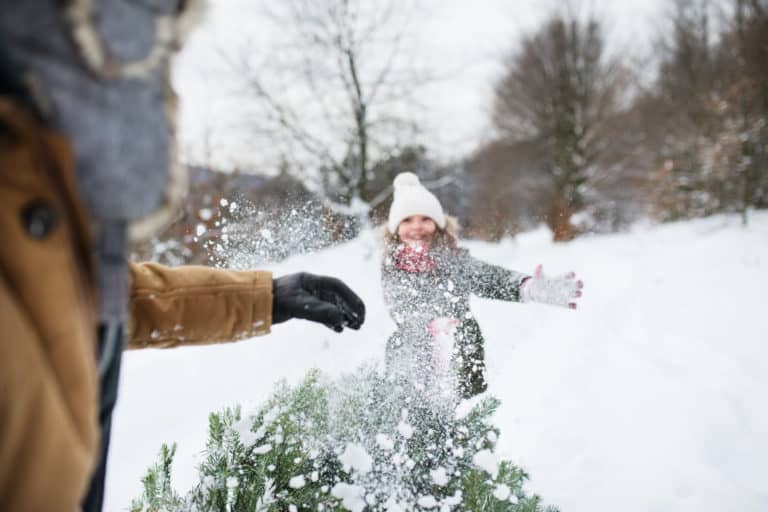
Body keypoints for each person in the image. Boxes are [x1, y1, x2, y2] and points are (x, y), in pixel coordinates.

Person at [0, 3, 365, 511]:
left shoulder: (48, 229)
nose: (157, 93)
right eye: (135, 41)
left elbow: (122, 300)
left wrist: (265, 297)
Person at [381, 172, 583, 398]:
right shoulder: (393, 264)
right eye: (407, 220)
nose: (417, 227)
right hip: (415, 346)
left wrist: (526, 287)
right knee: (400, 343)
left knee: (465, 331)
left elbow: (486, 276)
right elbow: (399, 304)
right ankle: (401, 401)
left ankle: (467, 402)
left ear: (438, 225)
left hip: (460, 346)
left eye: (425, 219)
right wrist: (429, 325)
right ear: (395, 228)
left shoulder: (452, 259)